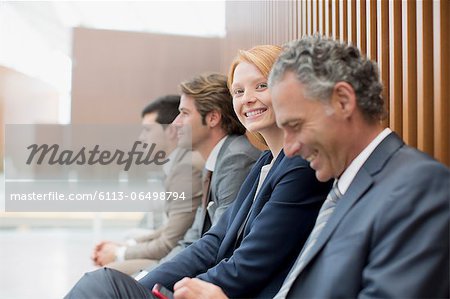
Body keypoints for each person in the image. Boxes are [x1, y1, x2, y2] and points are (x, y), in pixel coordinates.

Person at [173, 35, 450, 299]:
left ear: (343, 101)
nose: (290, 149)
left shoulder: (419, 188)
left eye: (295, 126)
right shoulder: (348, 186)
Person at [64, 47, 332, 299]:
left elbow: (251, 262)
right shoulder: (267, 161)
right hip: (216, 284)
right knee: (105, 282)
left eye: (261, 85)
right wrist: (142, 290)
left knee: (103, 284)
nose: (247, 98)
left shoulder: (298, 165)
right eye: (237, 91)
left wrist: (180, 290)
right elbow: (214, 241)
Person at [91, 95, 204, 275]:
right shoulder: (178, 165)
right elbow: (171, 228)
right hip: (175, 253)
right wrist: (125, 246)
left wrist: (119, 253)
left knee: (104, 276)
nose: (141, 138)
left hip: (179, 260)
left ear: (171, 131)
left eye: (147, 130)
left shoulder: (186, 169)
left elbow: (169, 242)